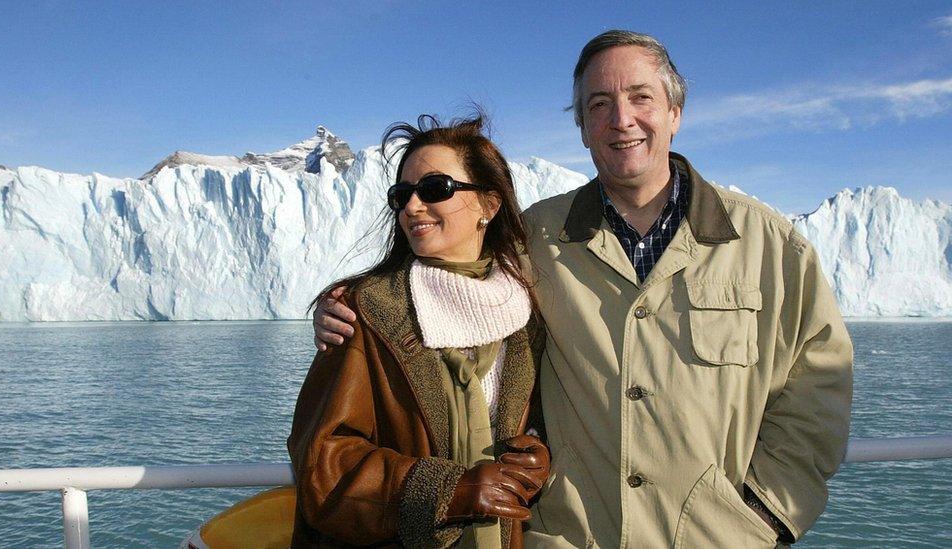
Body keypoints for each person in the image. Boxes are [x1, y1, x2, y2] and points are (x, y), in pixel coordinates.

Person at [314, 30, 854, 548]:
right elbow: (450, 270)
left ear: (674, 113)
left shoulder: (770, 246)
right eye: (598, 105)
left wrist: (765, 512)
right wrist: (347, 305)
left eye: (640, 97)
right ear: (582, 126)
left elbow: (817, 385)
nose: (621, 120)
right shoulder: (536, 240)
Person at [289, 114, 550, 548]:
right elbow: (321, 462)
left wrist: (539, 455)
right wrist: (449, 492)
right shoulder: (365, 312)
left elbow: (548, 418)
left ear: (489, 204)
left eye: (435, 189)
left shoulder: (524, 314)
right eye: (402, 194)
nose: (412, 206)